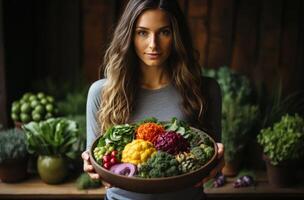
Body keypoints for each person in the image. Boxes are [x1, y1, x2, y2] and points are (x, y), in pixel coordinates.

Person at [82, 0, 224, 199]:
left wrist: (217, 161)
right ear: (129, 36)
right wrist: (90, 165)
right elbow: (95, 158)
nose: (153, 44)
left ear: (176, 36)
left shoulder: (205, 90)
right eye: (142, 32)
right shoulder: (101, 92)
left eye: (164, 32)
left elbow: (212, 154)